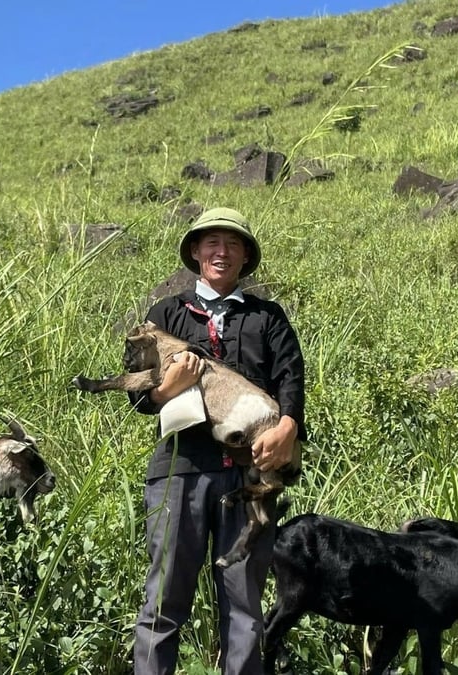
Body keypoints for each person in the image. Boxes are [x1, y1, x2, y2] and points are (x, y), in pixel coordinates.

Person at [130, 206, 306, 675]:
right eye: (212, 242)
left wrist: (288, 427)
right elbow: (140, 397)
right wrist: (166, 389)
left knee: (244, 603)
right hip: (179, 471)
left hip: (251, 475)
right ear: (195, 251)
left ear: (246, 255)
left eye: (232, 244)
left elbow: (291, 378)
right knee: (164, 599)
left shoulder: (267, 317)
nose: (221, 252)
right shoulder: (166, 313)